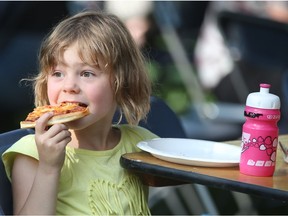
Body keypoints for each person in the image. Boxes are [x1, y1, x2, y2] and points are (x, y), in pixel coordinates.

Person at [2, 11, 158, 215]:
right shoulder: (33, 152)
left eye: (86, 73)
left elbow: (180, 176)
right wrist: (49, 168)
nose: (69, 86)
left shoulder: (138, 143)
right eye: (58, 73)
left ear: (122, 83)